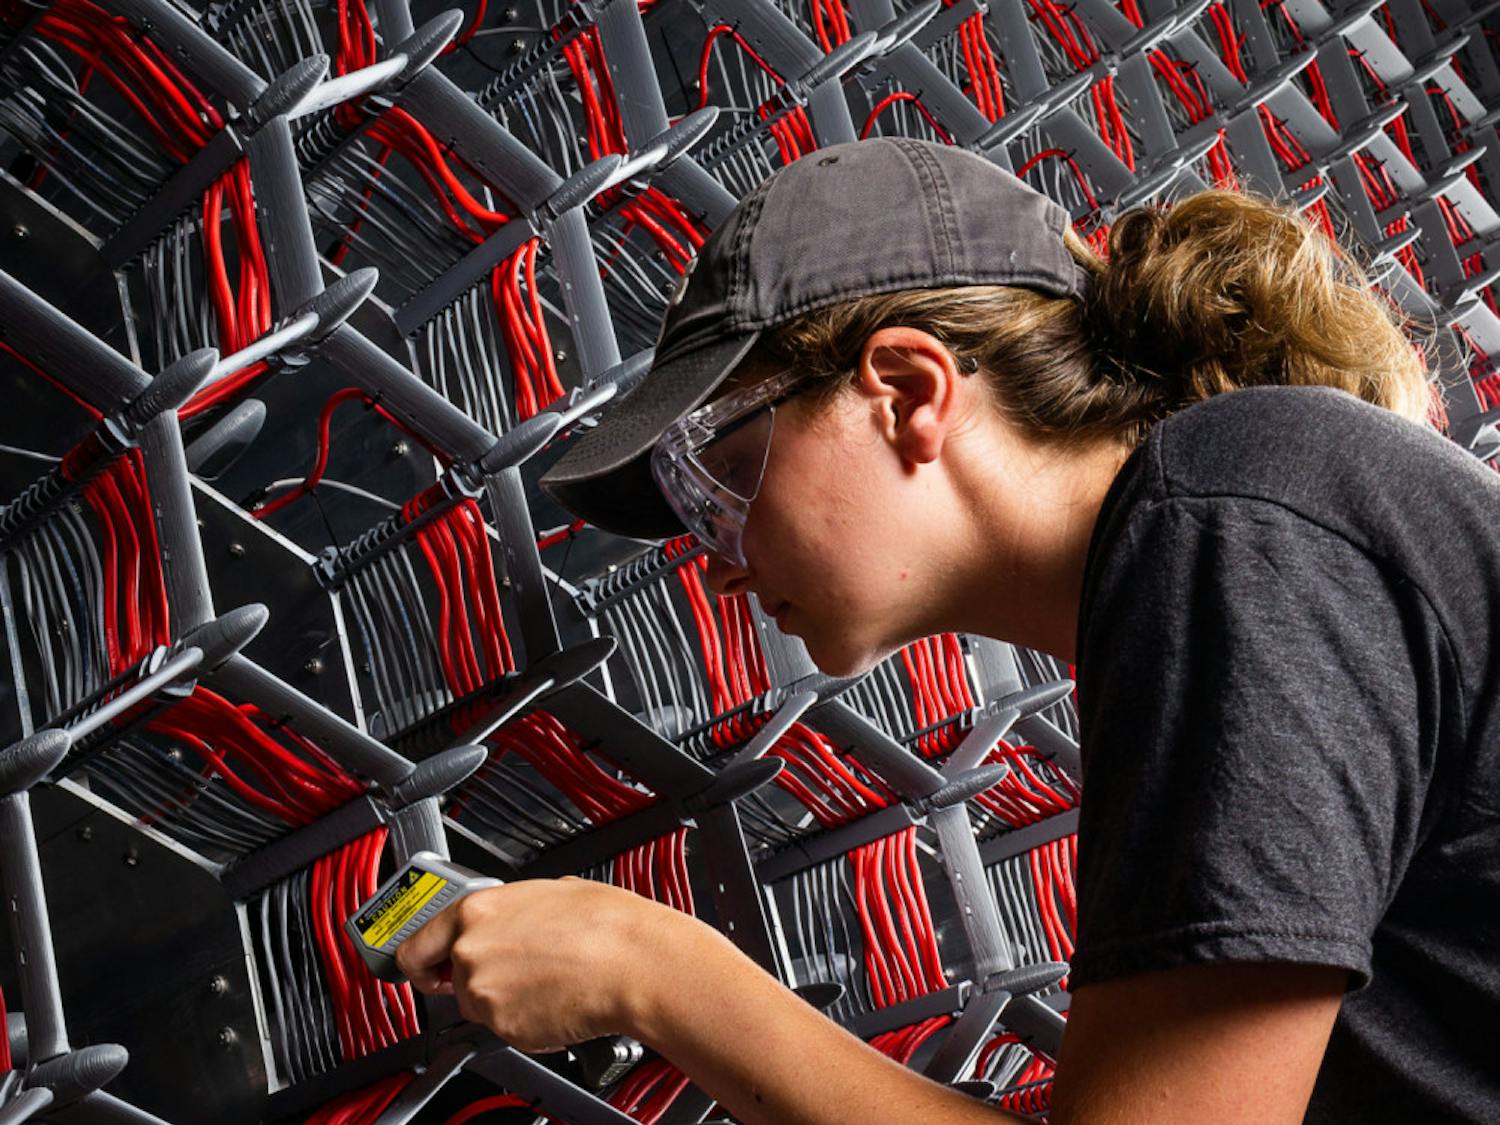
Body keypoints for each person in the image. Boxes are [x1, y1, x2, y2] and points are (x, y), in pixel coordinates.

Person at [396, 138, 1500, 1123]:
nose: (717, 559)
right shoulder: (1218, 547)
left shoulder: (1239, 510)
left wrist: (659, 972)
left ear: (907, 391)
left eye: (723, 473)